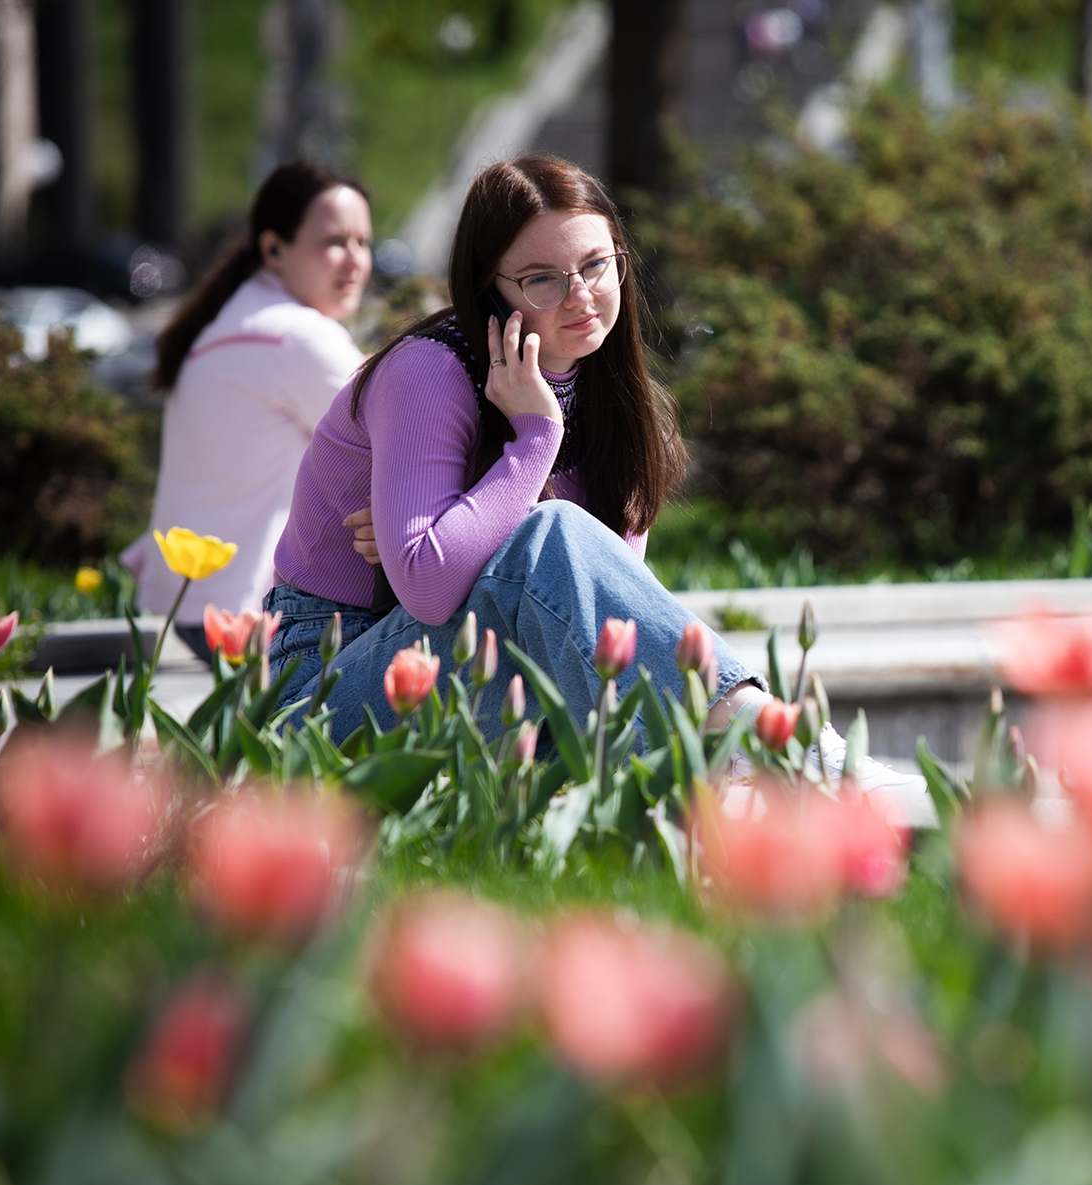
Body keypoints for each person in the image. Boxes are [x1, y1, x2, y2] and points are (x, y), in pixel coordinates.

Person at [263, 155, 925, 814]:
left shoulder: (611, 396)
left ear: (621, 261)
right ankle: (776, 744)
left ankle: (727, 770)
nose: (579, 295)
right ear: (490, 291)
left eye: (595, 265)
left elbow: (596, 601)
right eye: (541, 279)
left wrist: (477, 525)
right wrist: (533, 444)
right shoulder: (430, 373)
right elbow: (433, 589)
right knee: (544, 533)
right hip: (326, 693)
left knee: (546, 542)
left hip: (487, 683)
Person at [123, 161, 373, 659]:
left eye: (364, 243)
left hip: (197, 607)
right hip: (254, 615)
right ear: (273, 248)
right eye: (334, 242)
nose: (354, 261)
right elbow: (408, 441)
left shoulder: (234, 323)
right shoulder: (295, 336)